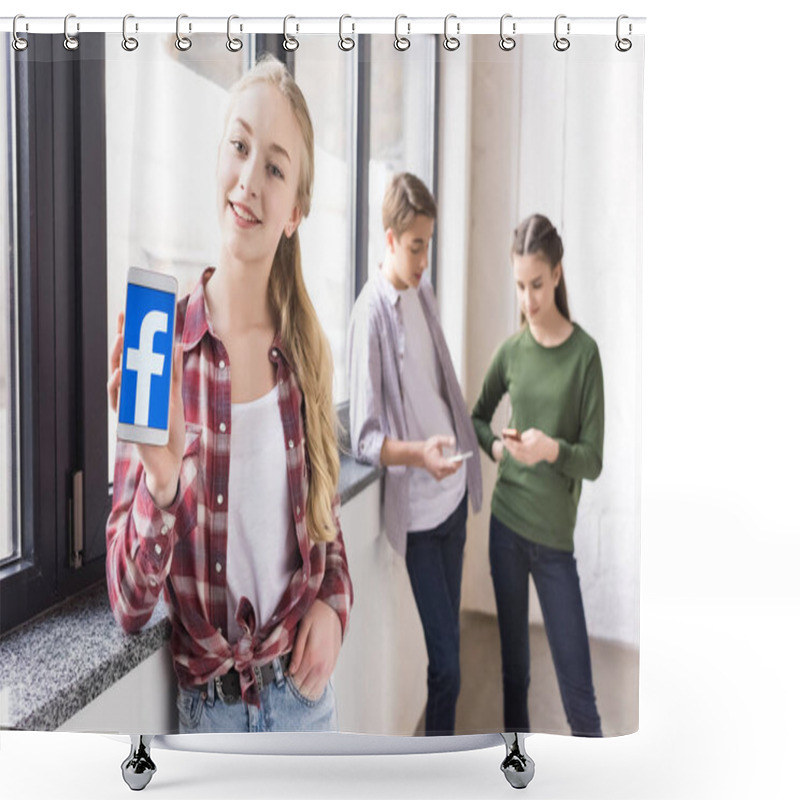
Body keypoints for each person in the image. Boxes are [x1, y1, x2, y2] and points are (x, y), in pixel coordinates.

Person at [106, 55, 353, 734]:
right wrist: (160, 487)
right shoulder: (159, 347)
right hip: (209, 719)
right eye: (239, 148)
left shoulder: (307, 353)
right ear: (218, 157)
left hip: (306, 704)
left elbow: (327, 527)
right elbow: (128, 607)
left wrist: (334, 605)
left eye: (275, 167)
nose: (248, 181)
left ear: (296, 209)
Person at [348, 173, 482, 736]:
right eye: (416, 245)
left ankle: (441, 765)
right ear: (389, 238)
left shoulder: (422, 293)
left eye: (429, 242)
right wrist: (421, 456)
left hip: (453, 500)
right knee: (447, 665)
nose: (426, 257)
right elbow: (364, 439)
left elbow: (437, 389)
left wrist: (449, 450)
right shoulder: (369, 315)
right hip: (422, 519)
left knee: (450, 657)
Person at [471, 213, 603, 737]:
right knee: (514, 675)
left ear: (559, 275)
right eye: (520, 286)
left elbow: (592, 459)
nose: (528, 299)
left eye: (538, 285)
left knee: (579, 695)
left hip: (553, 543)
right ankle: (517, 775)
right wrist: (501, 454)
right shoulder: (512, 351)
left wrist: (552, 449)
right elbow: (478, 417)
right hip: (506, 529)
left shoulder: (584, 356)